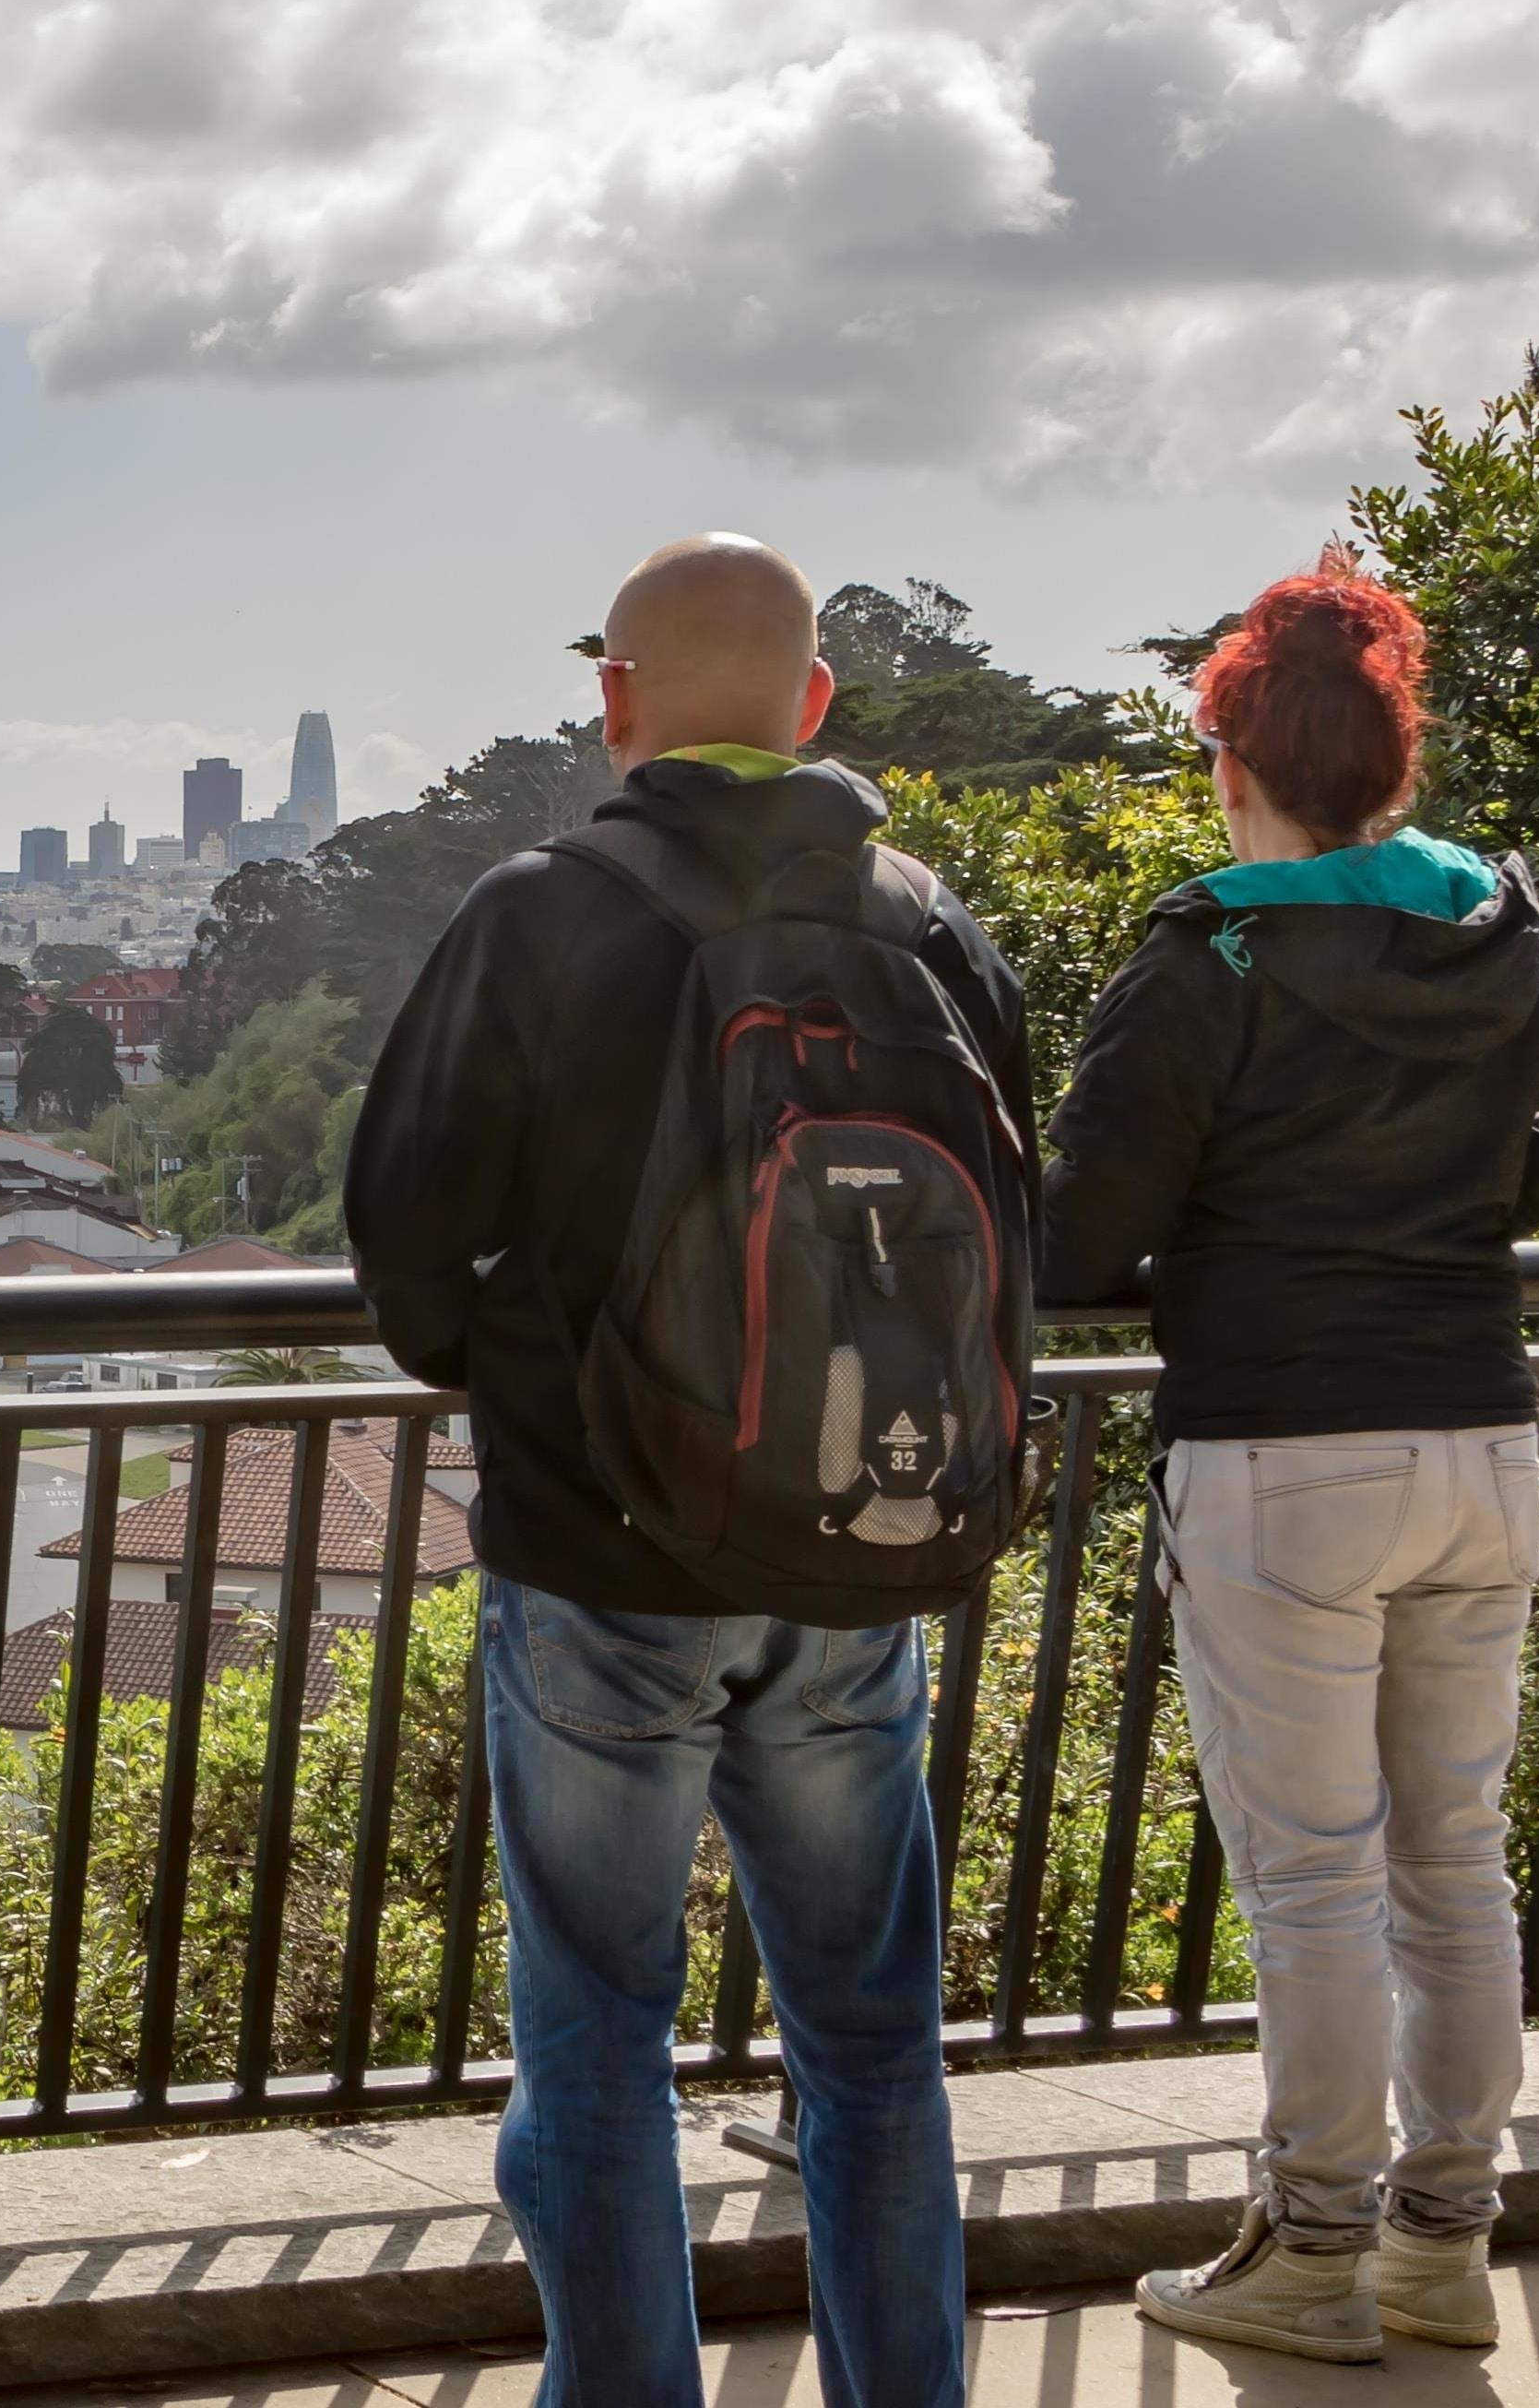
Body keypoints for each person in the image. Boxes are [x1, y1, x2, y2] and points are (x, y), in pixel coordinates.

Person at [349, 533, 1024, 2408]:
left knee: (594, 2036)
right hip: (854, 1537)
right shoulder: (924, 922)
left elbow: (402, 1232)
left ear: (614, 700)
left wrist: (518, 1379)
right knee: (873, 2043)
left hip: (601, 1547)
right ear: (815, 705)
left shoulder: (536, 908)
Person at [1043, 551, 1539, 2363]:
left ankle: (1310, 2250)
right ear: (1394, 766)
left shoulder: (1208, 952)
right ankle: (1441, 2242)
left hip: (1281, 1453)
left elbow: (1070, 1242)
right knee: (1453, 1863)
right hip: (1473, 1443)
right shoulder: (1495, 924)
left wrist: (1211, 1235)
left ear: (1228, 760)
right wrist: (1495, 1190)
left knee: (1317, 1884)